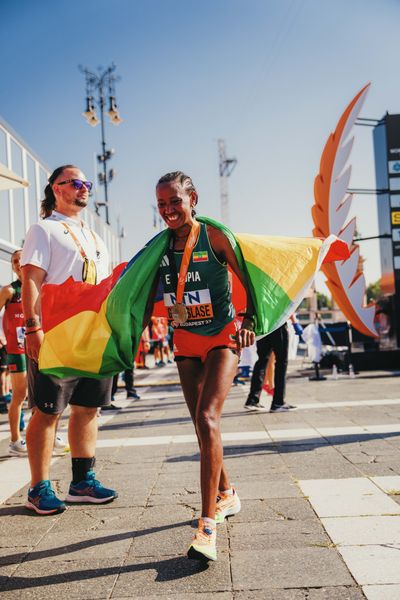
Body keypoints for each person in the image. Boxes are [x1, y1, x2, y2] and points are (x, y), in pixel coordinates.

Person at [149, 171, 255, 561]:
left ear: (193, 198)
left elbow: (250, 279)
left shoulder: (215, 237)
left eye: (174, 201)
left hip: (221, 337)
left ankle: (207, 527)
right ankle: (227, 494)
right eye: (161, 205)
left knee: (208, 418)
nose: (168, 211)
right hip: (184, 341)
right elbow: (143, 295)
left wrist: (250, 322)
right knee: (199, 423)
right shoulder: (160, 247)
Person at [21, 164, 117, 515]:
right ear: (56, 189)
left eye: (86, 183)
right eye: (76, 183)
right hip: (57, 332)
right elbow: (31, 278)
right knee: (48, 410)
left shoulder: (94, 237)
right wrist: (33, 327)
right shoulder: (43, 229)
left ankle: (82, 482)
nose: (84, 188)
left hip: (93, 334)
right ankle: (38, 487)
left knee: (88, 408)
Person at [0, 250, 28, 454]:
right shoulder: (10, 290)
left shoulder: (40, 286)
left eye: (21, 259)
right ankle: (15, 441)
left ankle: (49, 436)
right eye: (14, 261)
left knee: (42, 393)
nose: (18, 264)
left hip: (40, 347)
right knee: (20, 394)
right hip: (17, 350)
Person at [244, 322, 296, 413]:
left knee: (262, 361)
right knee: (281, 362)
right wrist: (294, 322)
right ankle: (278, 402)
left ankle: (252, 400)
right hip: (278, 324)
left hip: (263, 326)